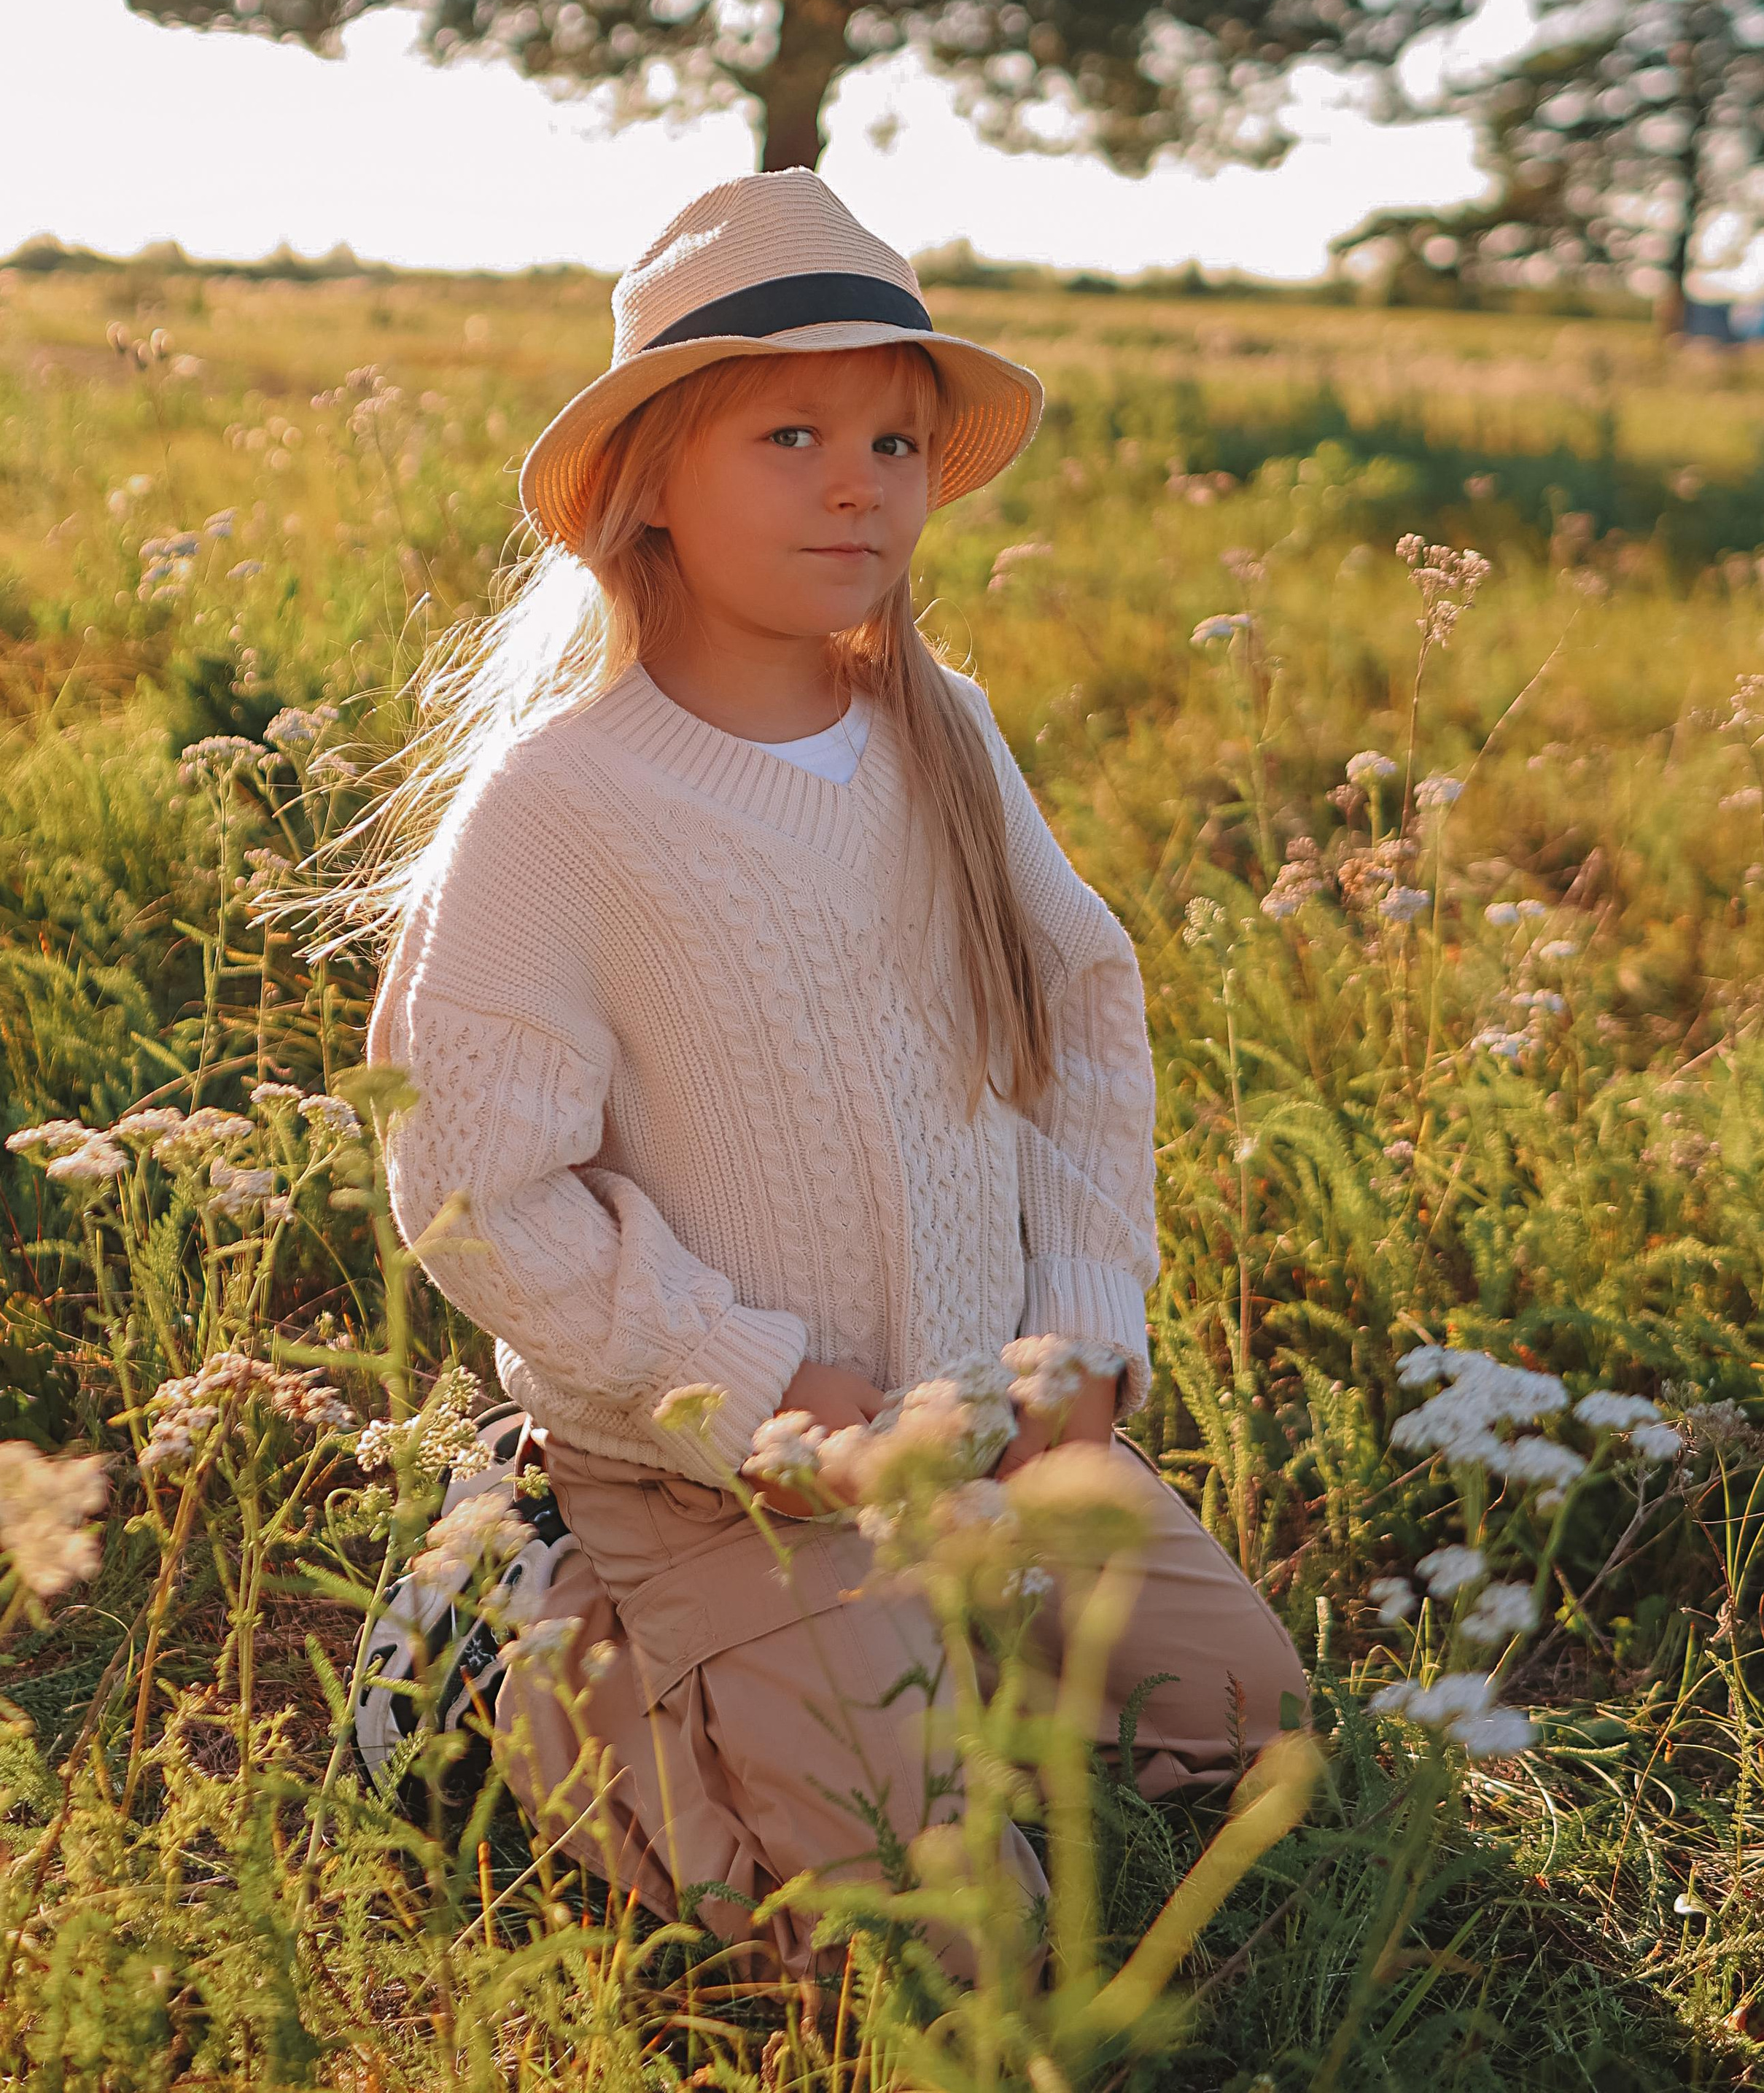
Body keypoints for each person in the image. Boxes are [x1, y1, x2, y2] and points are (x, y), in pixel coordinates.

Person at [363, 170, 1305, 1971]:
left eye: (891, 436)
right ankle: (530, 1670)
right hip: (713, 1472)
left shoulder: (933, 734)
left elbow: (1084, 1023)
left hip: (973, 1442)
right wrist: (747, 1376)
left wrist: (1081, 1331)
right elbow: (476, 1189)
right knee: (956, 1954)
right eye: (788, 433)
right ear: (642, 488)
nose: (857, 481)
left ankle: (914, 1669)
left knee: (1245, 1723)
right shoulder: (565, 811)